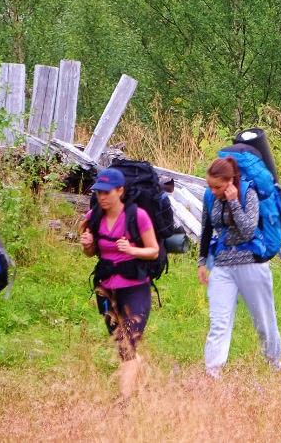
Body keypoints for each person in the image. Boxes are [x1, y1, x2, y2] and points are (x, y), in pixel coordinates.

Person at [79, 167, 160, 399]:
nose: (102, 197)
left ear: (120, 190)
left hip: (135, 288)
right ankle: (143, 384)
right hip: (106, 290)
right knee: (121, 345)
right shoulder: (94, 216)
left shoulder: (137, 216)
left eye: (107, 192)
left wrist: (131, 249)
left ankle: (124, 403)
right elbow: (91, 252)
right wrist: (87, 245)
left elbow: (153, 250)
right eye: (99, 192)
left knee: (127, 346)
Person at [199, 156, 281, 377]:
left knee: (264, 321)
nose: (213, 190)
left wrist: (234, 202)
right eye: (210, 185)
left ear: (230, 181)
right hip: (222, 265)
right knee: (219, 322)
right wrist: (202, 262)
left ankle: (275, 365)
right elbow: (206, 229)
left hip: (252, 264)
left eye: (217, 186)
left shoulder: (248, 193)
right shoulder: (209, 196)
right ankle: (212, 374)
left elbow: (248, 230)